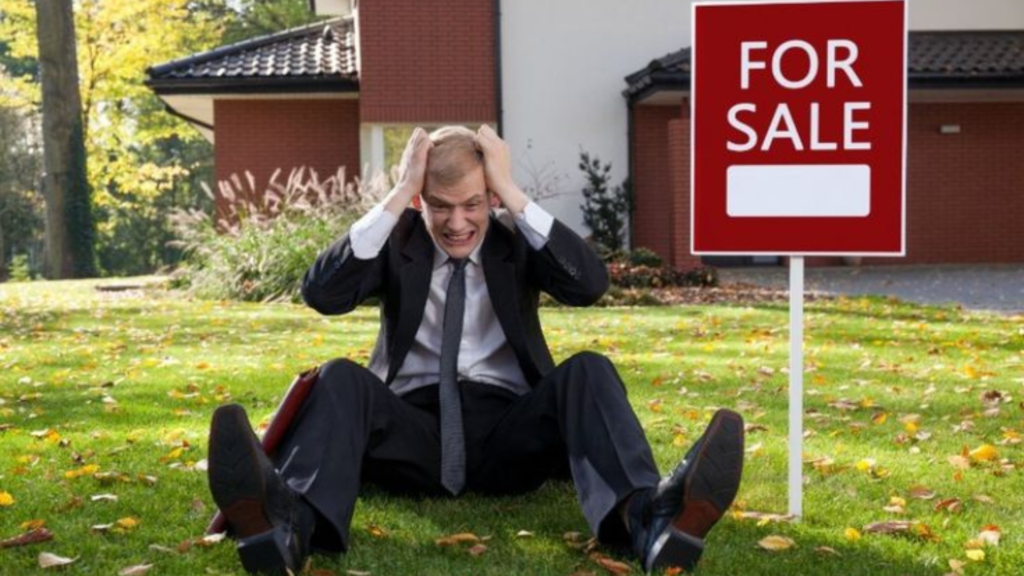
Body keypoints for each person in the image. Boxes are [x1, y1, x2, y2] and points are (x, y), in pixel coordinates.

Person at [206, 125, 745, 575]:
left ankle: (649, 521)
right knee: (339, 376)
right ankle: (285, 528)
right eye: (440, 206)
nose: (457, 223)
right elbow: (322, 294)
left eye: (472, 204)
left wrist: (512, 192)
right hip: (408, 435)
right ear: (421, 201)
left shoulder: (516, 241)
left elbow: (589, 286)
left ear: (490, 196)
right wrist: (397, 198)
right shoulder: (399, 241)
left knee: (589, 370)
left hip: (509, 434)